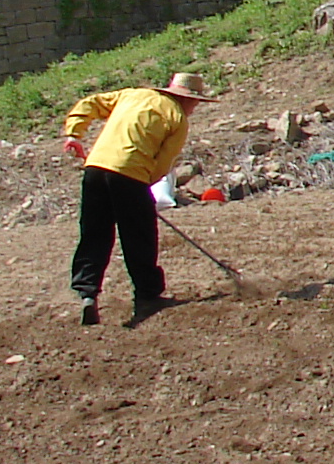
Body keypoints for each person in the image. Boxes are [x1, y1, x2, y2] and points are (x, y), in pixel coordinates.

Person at [61, 71, 220, 326]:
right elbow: (164, 162)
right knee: (139, 236)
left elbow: (89, 104)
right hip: (131, 175)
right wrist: (142, 190)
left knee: (94, 234)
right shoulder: (177, 118)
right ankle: (147, 296)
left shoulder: (132, 95)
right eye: (196, 102)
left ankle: (87, 294)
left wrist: (74, 134)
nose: (195, 107)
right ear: (188, 100)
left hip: (95, 170)